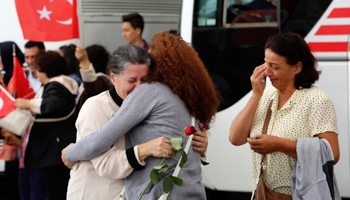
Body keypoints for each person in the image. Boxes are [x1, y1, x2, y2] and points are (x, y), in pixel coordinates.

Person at [62, 31, 220, 199]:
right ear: (113, 78)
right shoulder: (97, 106)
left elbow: (97, 143)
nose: (139, 87)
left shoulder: (155, 95)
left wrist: (70, 152)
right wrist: (144, 150)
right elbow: (102, 159)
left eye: (145, 79)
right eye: (131, 80)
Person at [229, 32, 340, 197]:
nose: (267, 72)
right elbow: (235, 138)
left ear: (297, 67)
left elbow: (332, 154)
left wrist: (279, 144)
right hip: (263, 193)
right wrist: (255, 95)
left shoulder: (317, 99)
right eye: (266, 64)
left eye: (275, 67)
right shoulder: (266, 95)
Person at [15, 51, 78, 200]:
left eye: (37, 68)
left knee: (56, 192)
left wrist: (27, 103)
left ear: (46, 69)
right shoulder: (63, 84)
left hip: (54, 151)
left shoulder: (56, 85)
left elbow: (52, 104)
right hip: (56, 149)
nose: (35, 72)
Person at [0, 41, 24, 200]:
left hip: (19, 141)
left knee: (14, 184)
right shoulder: (5, 79)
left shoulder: (20, 79)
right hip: (7, 140)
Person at [75, 44, 111, 110]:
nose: (80, 65)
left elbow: (92, 87)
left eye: (85, 62)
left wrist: (84, 61)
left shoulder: (103, 80)